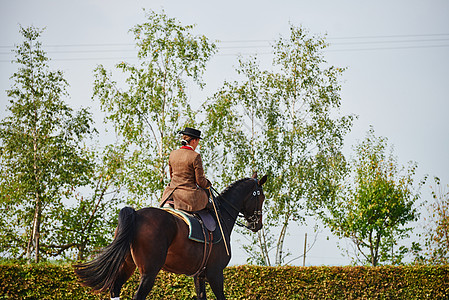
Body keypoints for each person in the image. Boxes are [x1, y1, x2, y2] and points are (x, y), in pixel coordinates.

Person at [160, 127, 211, 212]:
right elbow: (200, 181)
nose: (197, 144)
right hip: (188, 196)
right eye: (198, 141)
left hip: (170, 193)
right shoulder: (195, 156)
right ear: (194, 141)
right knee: (206, 195)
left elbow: (172, 176)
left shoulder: (172, 154)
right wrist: (208, 184)